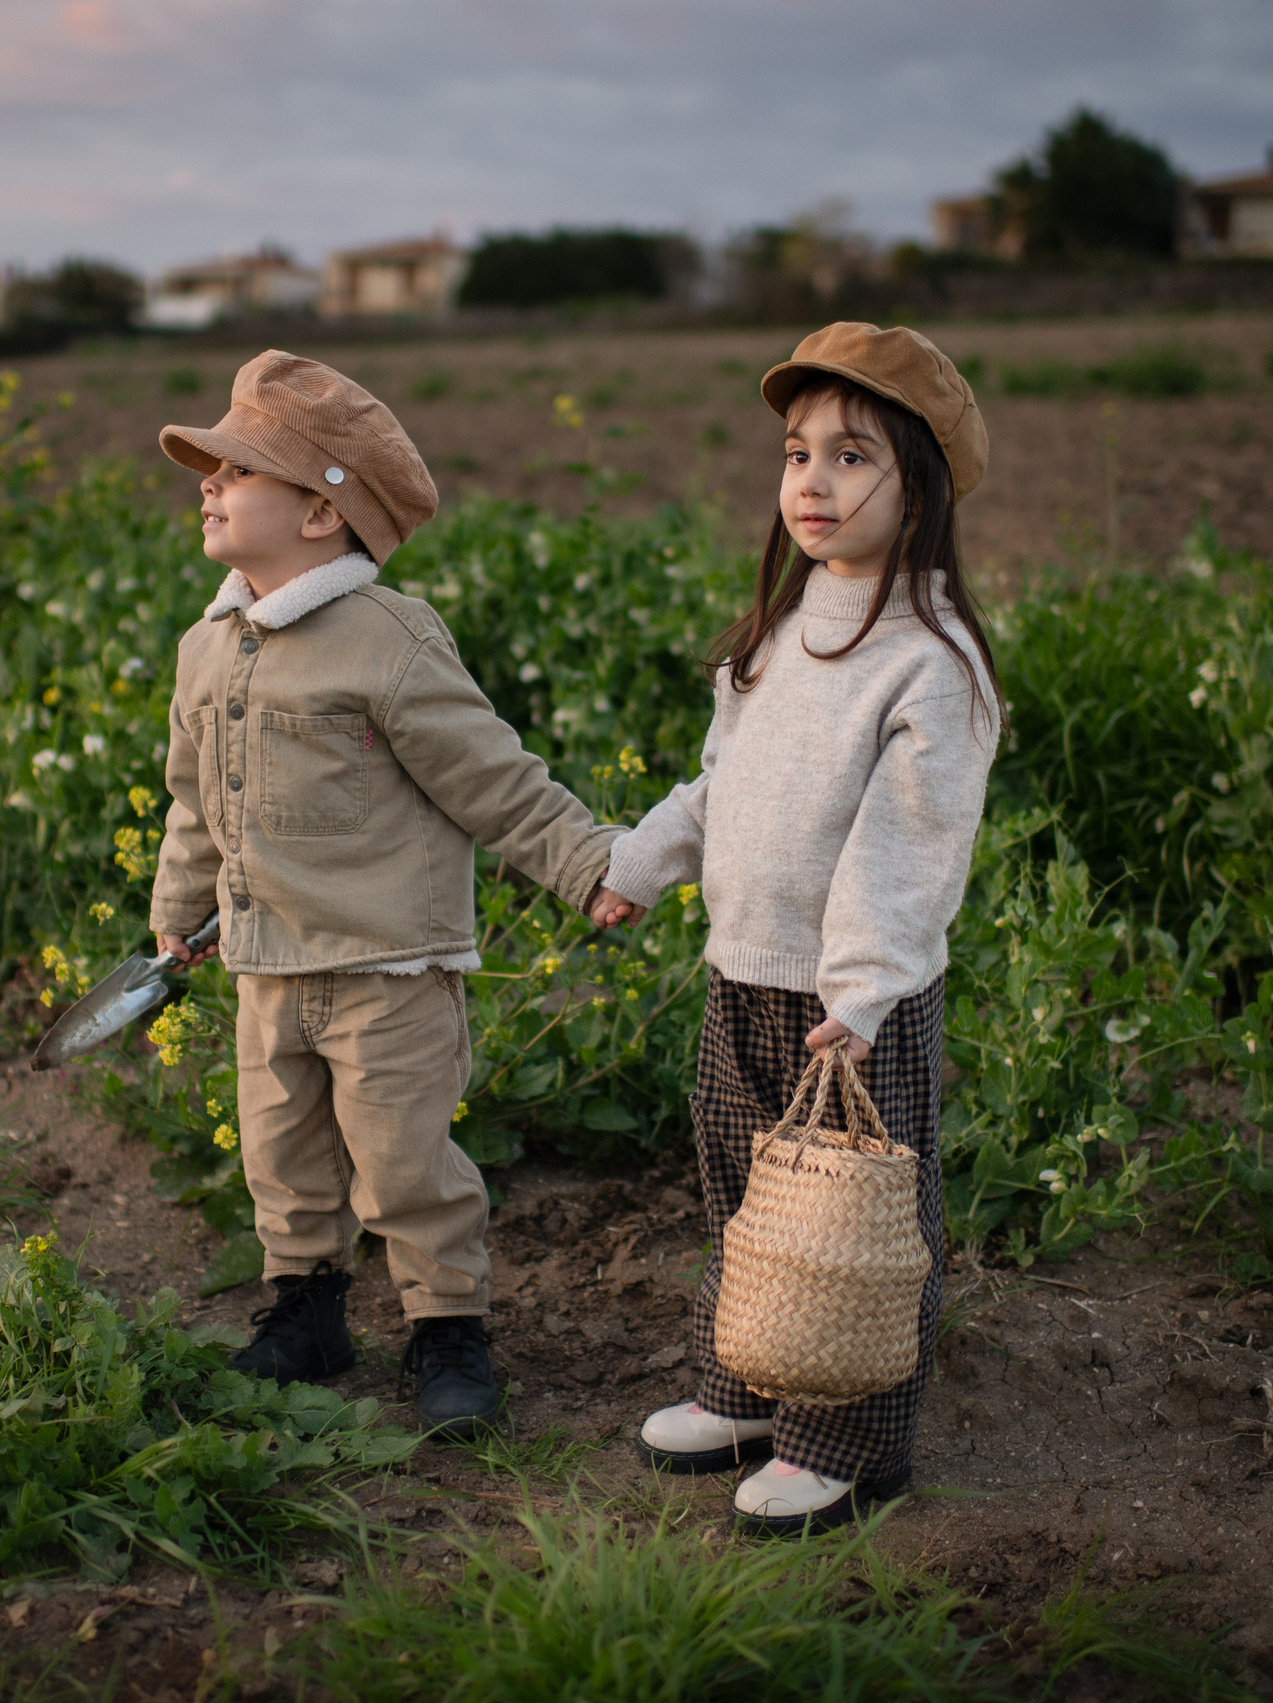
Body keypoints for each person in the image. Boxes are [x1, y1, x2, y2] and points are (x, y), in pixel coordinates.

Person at [147, 350, 624, 1439]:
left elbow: (489, 773)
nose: (207, 484)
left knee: (407, 1161)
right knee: (282, 1153)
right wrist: (178, 912)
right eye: (208, 468)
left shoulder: (387, 639)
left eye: (238, 470)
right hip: (268, 962)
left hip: (387, 970)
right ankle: (306, 1310)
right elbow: (190, 799)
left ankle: (446, 1326)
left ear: (322, 514)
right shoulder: (205, 648)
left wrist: (583, 862)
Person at [593, 323, 1001, 1535]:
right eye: (795, 452)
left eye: (851, 456)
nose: (812, 482)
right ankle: (753, 1381)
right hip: (743, 976)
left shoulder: (929, 659)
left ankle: (850, 1437)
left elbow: (907, 843)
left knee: (854, 1219)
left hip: (851, 1006)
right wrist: (639, 865)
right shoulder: (779, 631)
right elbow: (721, 786)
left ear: (919, 487)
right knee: (747, 1194)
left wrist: (864, 992)